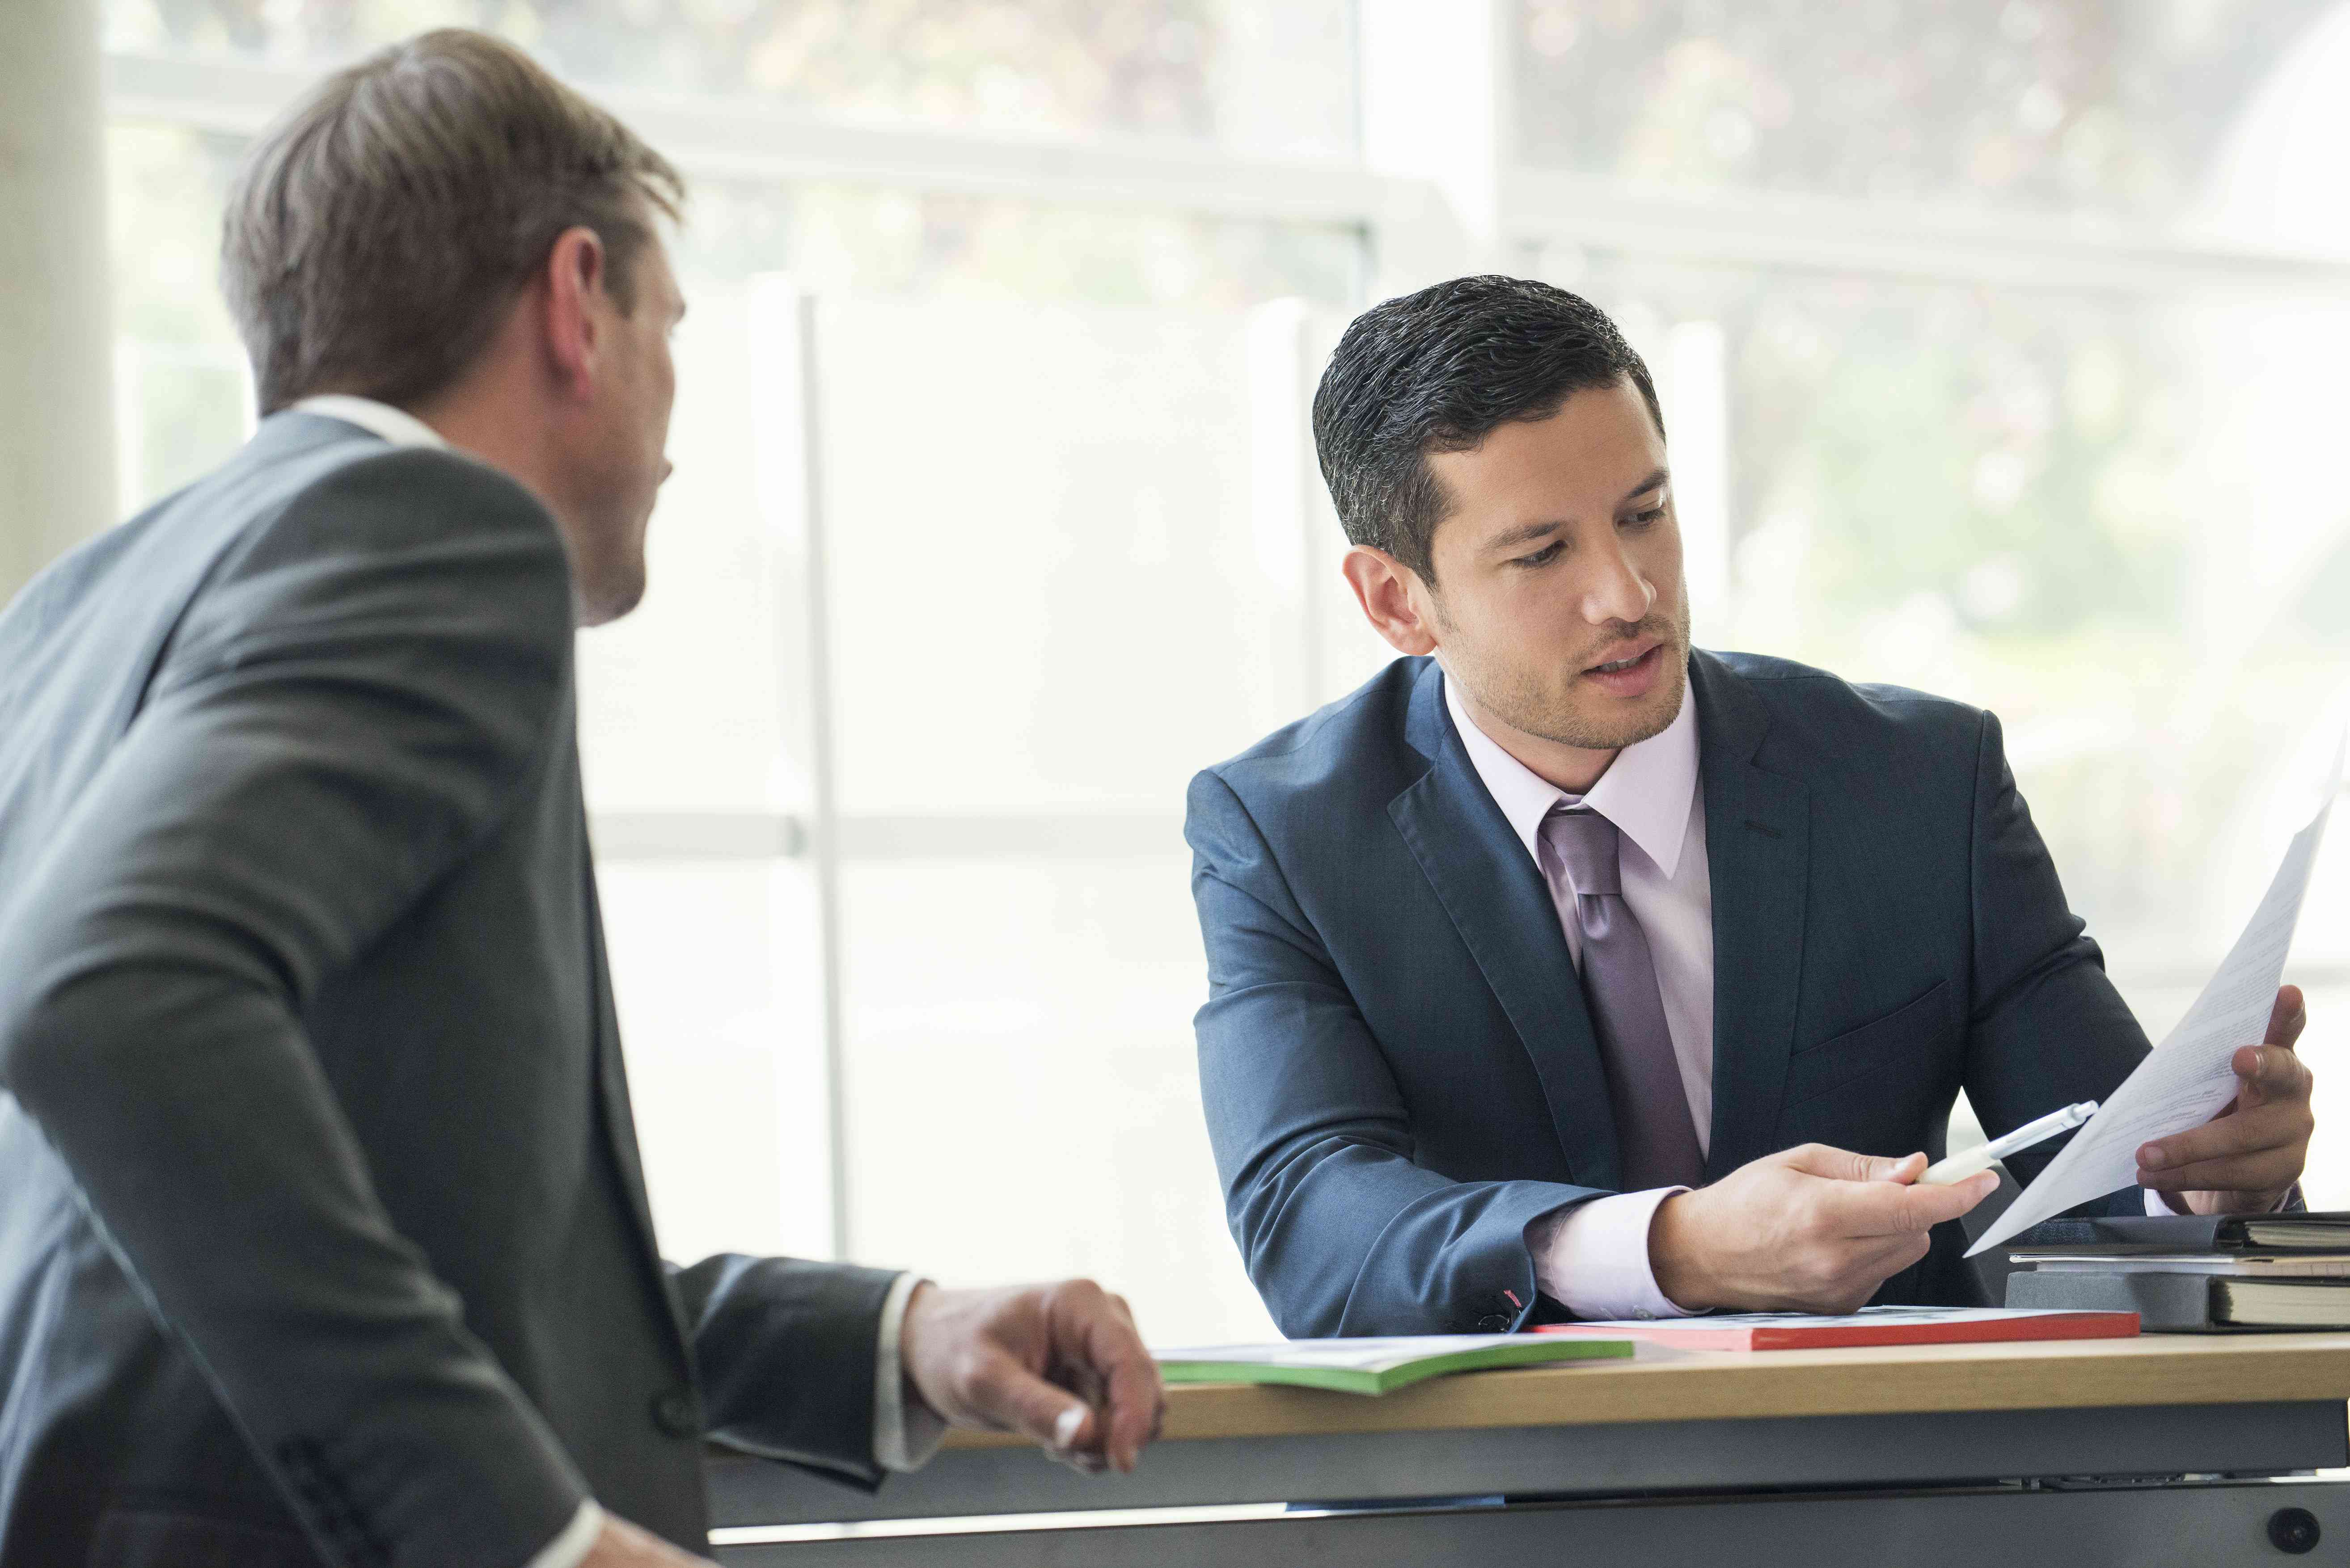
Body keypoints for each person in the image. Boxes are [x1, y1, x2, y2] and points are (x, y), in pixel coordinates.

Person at [0, 30, 1161, 1568]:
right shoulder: (439, 528)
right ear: (575, 303)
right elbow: (103, 998)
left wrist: (901, 1332)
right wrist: (535, 1536)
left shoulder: (69, 608)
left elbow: (379, 1254)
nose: (675, 425)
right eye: (668, 322)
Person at [1186, 274, 2316, 1337]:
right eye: (1541, 553)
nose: (1628, 594)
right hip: (1499, 1514)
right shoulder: (1284, 834)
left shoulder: (1921, 783)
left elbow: (2113, 1182)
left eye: (1646, 512)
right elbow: (1311, 1223)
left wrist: (2205, 1185)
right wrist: (1672, 1247)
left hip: (1894, 1505)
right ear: (1396, 600)